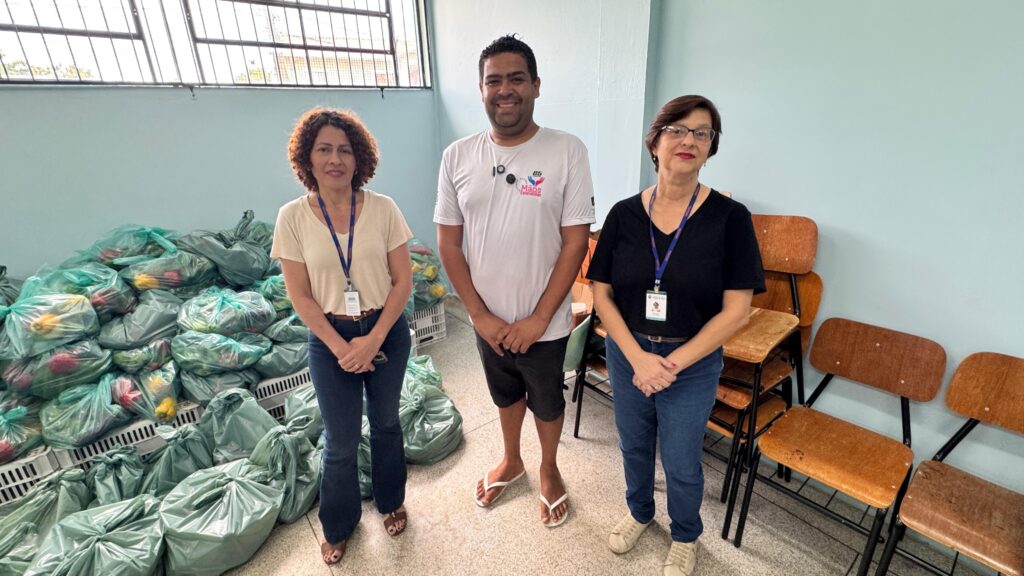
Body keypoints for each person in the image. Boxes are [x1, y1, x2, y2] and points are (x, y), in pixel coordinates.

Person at [586, 95, 765, 575]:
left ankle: (685, 534)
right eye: (677, 129)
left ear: (711, 147)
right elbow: (601, 294)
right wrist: (638, 359)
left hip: (692, 362)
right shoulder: (624, 215)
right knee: (634, 445)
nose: (688, 140)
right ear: (655, 141)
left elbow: (737, 311)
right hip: (628, 355)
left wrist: (671, 363)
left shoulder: (731, 219)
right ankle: (641, 512)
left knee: (683, 459)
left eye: (702, 132)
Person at [434, 35, 595, 527]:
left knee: (546, 402)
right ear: (481, 90)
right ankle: (512, 459)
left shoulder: (567, 150)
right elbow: (447, 245)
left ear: (536, 86)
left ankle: (548, 468)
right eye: (494, 80)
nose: (505, 90)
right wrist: (480, 316)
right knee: (505, 394)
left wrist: (539, 318)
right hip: (488, 322)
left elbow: (575, 243)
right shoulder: (457, 156)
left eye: (516, 78)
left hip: (543, 325)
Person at [271, 107, 414, 565]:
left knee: (388, 424)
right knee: (341, 439)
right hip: (329, 339)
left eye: (345, 150)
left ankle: (391, 501)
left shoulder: (385, 208)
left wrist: (372, 342)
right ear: (307, 160)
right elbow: (301, 296)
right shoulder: (291, 218)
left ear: (360, 159)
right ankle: (339, 523)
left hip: (385, 332)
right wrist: (342, 348)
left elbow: (403, 282)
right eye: (324, 150)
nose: (336, 159)